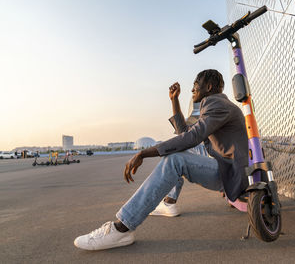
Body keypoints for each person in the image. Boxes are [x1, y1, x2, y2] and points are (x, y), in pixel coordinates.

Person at [74, 69, 249, 250]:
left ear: (209, 87)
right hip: (229, 171)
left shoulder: (217, 105)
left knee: (175, 160)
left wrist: (143, 153)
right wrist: (174, 100)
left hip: (232, 174)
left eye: (195, 86)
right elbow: (186, 134)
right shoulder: (219, 106)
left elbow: (190, 139)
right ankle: (156, 208)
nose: (192, 90)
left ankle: (122, 229)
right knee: (176, 156)